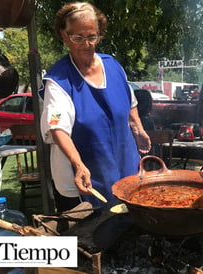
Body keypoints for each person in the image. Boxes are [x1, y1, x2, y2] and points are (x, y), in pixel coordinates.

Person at [40, 2, 151, 212]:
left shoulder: (113, 66)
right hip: (82, 179)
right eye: (77, 38)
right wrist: (78, 163)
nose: (87, 44)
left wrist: (138, 128)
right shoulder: (59, 81)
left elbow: (130, 102)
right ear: (64, 36)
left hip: (123, 167)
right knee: (91, 236)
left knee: (130, 227)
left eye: (92, 36)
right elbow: (57, 128)